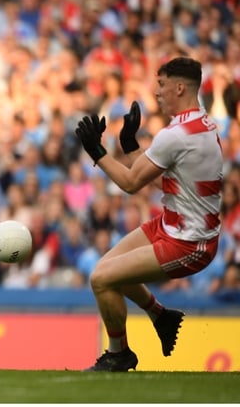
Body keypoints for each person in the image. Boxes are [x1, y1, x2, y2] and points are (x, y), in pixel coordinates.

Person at [75, 57, 223, 372]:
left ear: (180, 87)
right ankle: (160, 316)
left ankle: (119, 354)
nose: (157, 93)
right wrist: (130, 146)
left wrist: (96, 151)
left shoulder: (177, 134)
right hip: (173, 226)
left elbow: (130, 183)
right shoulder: (202, 124)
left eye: (162, 85)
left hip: (188, 242)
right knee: (107, 269)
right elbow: (165, 178)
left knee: (101, 279)